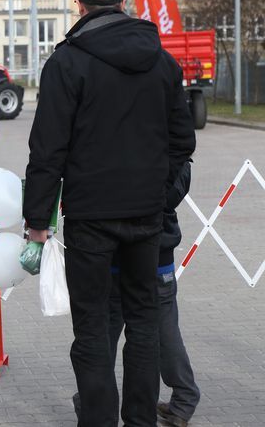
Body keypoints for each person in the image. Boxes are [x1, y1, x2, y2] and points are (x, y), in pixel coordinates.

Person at [23, 0, 196, 427]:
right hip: (145, 215)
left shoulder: (66, 62)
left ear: (80, 6)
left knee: (94, 327)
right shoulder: (161, 61)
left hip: (90, 216)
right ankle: (139, 420)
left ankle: (98, 420)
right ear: (121, 1)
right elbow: (183, 142)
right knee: (143, 322)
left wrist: (37, 221)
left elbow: (47, 149)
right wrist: (159, 195)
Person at [73, 161, 199, 427]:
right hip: (147, 250)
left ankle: (90, 400)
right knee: (157, 327)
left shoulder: (121, 145)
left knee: (107, 327)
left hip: (132, 249)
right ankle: (183, 400)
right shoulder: (172, 149)